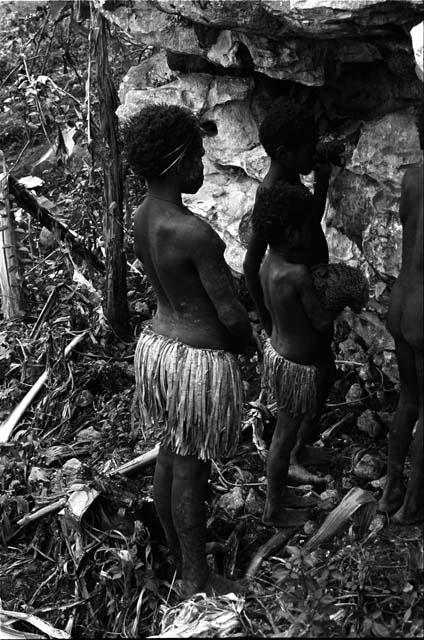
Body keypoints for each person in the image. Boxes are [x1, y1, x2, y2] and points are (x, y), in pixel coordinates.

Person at [122, 104, 256, 595]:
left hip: (158, 349)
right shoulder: (195, 234)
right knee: (192, 470)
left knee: (170, 457)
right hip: (195, 364)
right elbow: (229, 312)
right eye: (198, 157)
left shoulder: (142, 217)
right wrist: (249, 348)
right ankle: (198, 579)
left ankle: (181, 560)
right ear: (177, 163)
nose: (202, 167)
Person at [243, 97, 344, 484]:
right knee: (307, 386)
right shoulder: (271, 193)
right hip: (295, 310)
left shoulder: (291, 185)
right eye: (308, 149)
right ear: (286, 153)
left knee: (326, 373)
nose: (313, 153)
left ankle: (300, 447)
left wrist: (321, 181)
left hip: (305, 295)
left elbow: (308, 222)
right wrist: (267, 318)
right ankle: (291, 456)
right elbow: (252, 263)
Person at [253, 182, 335, 527]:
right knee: (282, 437)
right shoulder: (297, 275)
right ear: (291, 232)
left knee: (285, 432)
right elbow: (319, 320)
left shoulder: (267, 264)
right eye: (306, 228)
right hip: (295, 367)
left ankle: (280, 489)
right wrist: (339, 301)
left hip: (277, 353)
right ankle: (274, 508)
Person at [378, 101, 423, 525]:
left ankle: (390, 489)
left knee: (408, 399)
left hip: (401, 299)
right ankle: (412, 507)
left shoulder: (412, 179)